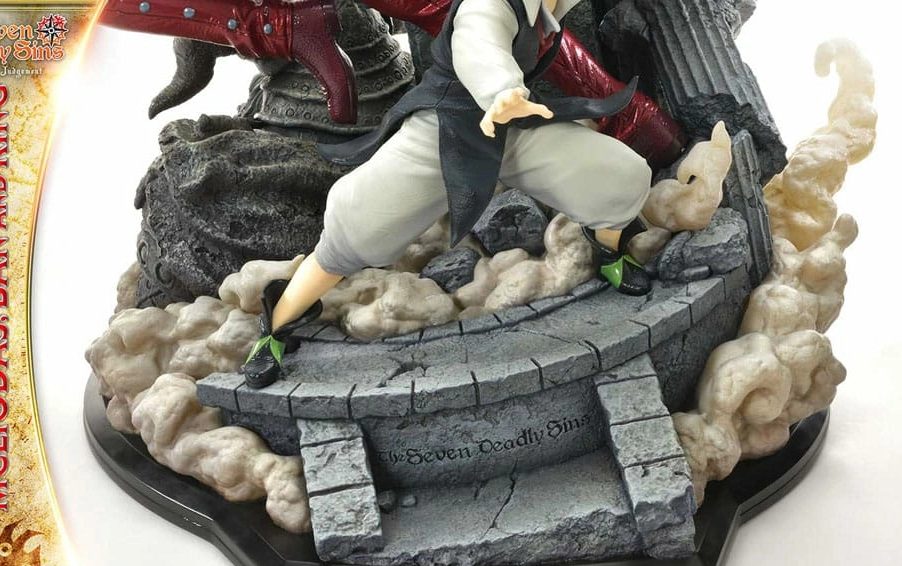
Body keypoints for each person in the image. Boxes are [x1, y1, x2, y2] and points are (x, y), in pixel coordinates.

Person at [242, 0, 655, 389]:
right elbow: (477, 41)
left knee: (618, 176)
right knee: (358, 226)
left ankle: (608, 249)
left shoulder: (547, 6)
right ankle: (277, 325)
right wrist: (502, 91)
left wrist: (512, 103)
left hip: (513, 129)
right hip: (445, 130)